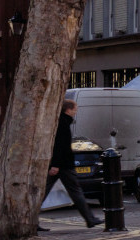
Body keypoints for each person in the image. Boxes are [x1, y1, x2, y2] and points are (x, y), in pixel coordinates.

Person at [47, 98, 102, 229]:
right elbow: (60, 146)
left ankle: (32, 221)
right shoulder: (62, 124)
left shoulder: (61, 122)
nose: (76, 112)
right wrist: (56, 165)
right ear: (68, 109)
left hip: (60, 164)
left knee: (43, 192)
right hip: (63, 165)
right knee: (76, 192)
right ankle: (90, 219)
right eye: (75, 109)